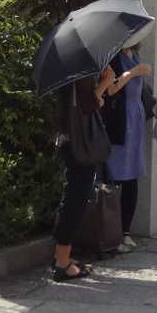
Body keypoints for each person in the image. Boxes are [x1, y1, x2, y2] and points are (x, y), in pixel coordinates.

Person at [100, 43, 157, 254]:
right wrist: (134, 72)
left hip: (135, 119)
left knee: (132, 176)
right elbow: (110, 89)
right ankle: (109, 233)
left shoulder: (135, 53)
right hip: (119, 121)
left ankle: (125, 232)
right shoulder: (112, 56)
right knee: (112, 176)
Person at [53, 73, 102, 280]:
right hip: (78, 142)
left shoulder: (69, 68)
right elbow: (88, 104)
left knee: (73, 195)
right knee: (75, 198)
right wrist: (106, 82)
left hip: (69, 138)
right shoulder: (78, 71)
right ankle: (62, 263)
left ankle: (61, 257)